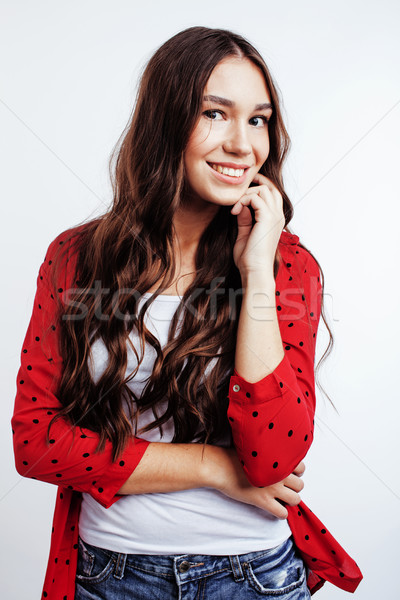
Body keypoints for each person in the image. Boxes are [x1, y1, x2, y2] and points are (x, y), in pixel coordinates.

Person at [12, 26, 362, 600]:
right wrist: (212, 467)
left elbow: (275, 455)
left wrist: (255, 273)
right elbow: (37, 441)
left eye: (258, 120)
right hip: (110, 575)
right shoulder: (75, 259)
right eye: (215, 114)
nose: (243, 145)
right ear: (165, 120)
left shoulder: (286, 266)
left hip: (255, 577)